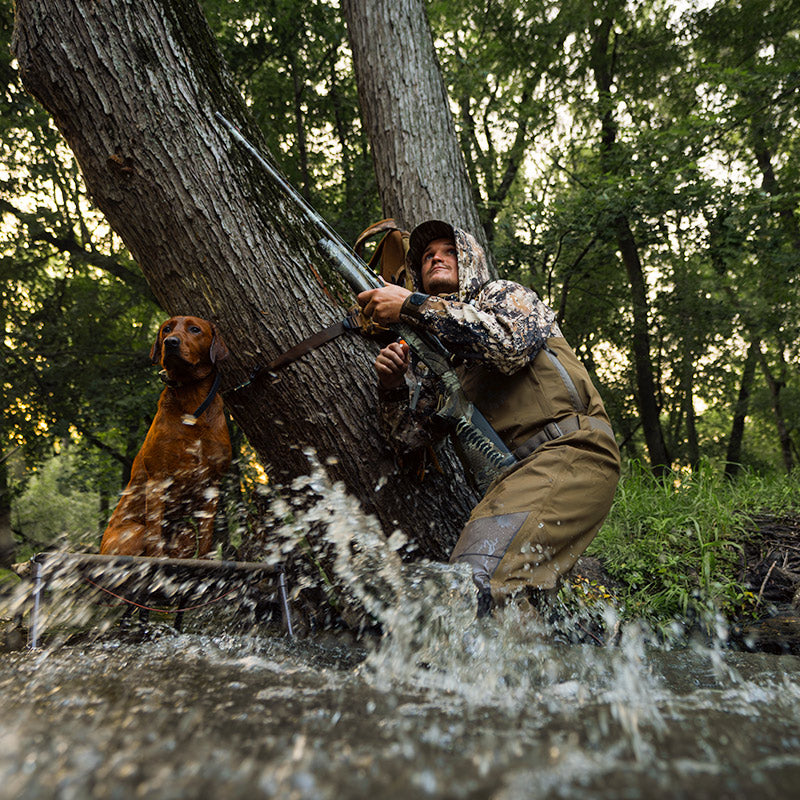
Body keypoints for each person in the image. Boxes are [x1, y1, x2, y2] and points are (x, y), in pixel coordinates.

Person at [357, 220, 620, 617]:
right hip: (517, 482)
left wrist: (411, 305)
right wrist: (392, 386)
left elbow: (508, 346)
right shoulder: (439, 363)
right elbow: (409, 443)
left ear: (471, 261)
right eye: (427, 256)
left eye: (448, 252)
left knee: (470, 584)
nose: (436, 259)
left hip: (571, 451)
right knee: (508, 607)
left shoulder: (503, 296)